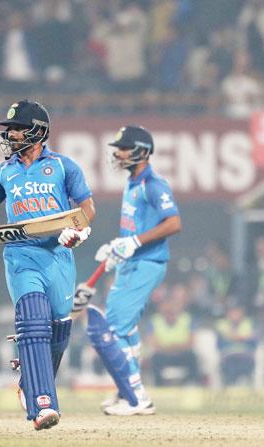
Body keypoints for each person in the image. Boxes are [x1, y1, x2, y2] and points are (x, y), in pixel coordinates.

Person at [0, 99, 95, 430]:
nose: (12, 135)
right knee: (33, 322)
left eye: (18, 129)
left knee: (59, 331)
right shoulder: (4, 171)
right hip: (21, 255)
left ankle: (28, 384)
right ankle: (41, 404)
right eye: (10, 130)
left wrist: (80, 231)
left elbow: (86, 208)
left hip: (58, 256)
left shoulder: (63, 166)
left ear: (40, 131)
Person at [86, 125, 181, 416]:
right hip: (131, 262)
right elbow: (133, 227)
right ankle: (127, 390)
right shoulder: (132, 182)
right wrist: (118, 247)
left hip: (147, 263)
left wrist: (135, 242)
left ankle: (136, 397)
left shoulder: (153, 183)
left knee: (115, 330)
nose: (118, 153)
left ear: (141, 150)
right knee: (120, 326)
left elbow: (173, 223)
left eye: (124, 148)